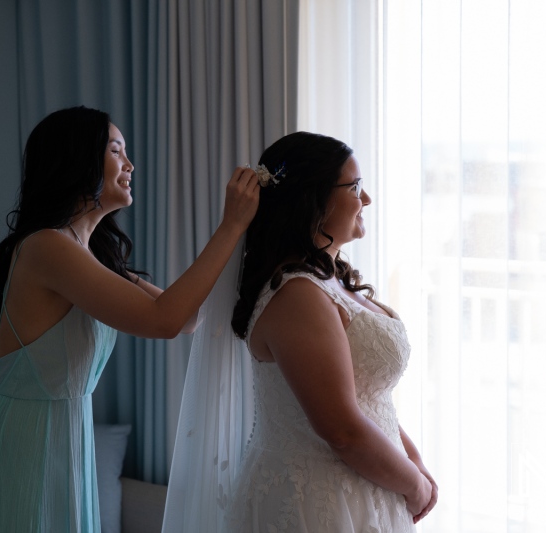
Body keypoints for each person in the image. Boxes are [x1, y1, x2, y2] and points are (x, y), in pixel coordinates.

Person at [0, 106, 259, 533]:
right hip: (19, 448)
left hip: (64, 445)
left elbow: (187, 319)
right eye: (116, 150)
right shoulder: (47, 248)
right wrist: (230, 225)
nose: (130, 165)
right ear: (78, 160)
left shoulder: (86, 255)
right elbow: (164, 321)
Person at [162, 132, 437, 532]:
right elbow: (341, 429)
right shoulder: (296, 295)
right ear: (315, 200)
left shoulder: (329, 282)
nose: (366, 199)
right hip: (319, 503)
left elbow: (369, 399)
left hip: (366, 489)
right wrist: (415, 486)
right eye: (355, 187)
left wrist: (414, 463)